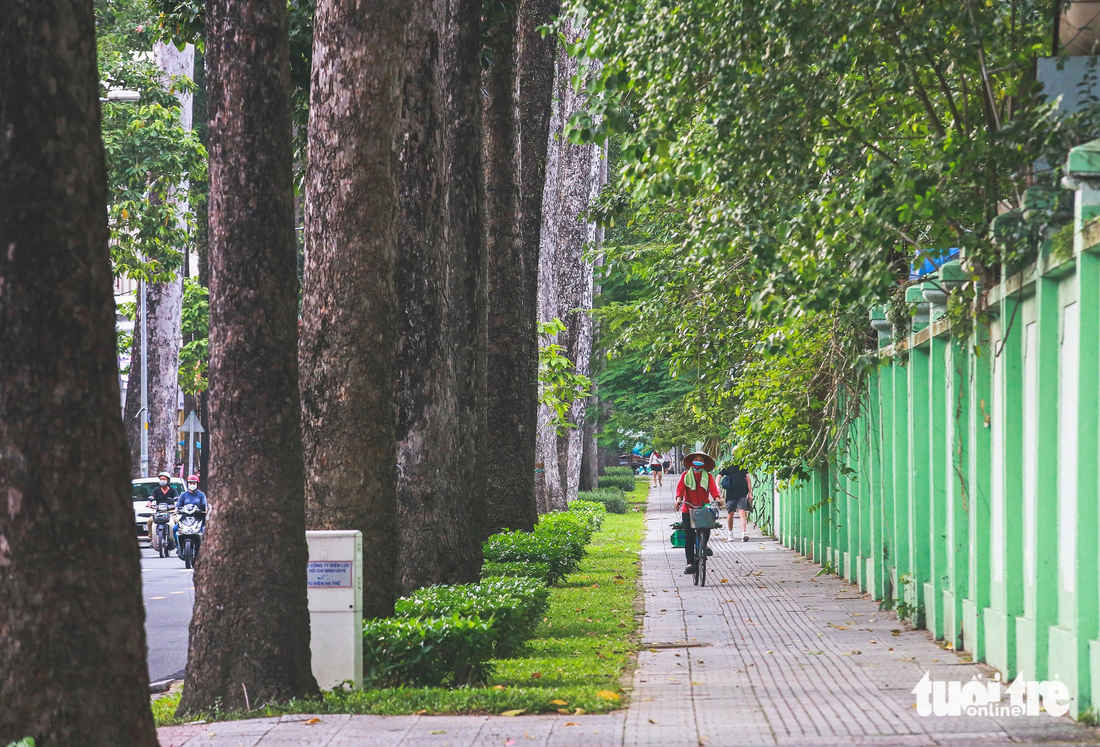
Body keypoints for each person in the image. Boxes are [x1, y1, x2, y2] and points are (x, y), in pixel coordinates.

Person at [675, 451, 721, 575]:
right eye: (696, 459)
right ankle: (689, 563)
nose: (698, 461)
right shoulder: (685, 475)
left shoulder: (708, 477)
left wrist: (717, 499)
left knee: (707, 529)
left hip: (703, 508)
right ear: (691, 462)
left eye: (701, 460)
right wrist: (678, 501)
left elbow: (713, 489)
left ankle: (704, 545)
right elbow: (680, 491)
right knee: (689, 537)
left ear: (704, 463)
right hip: (688, 509)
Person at [174, 475, 207, 558]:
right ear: (188, 484)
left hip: (198, 517)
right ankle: (178, 546)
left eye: (194, 483)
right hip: (185, 517)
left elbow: (205, 504)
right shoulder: (183, 495)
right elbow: (178, 505)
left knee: (204, 531)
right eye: (190, 483)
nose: (192, 485)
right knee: (175, 529)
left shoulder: (201, 495)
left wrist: (205, 510)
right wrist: (176, 509)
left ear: (197, 484)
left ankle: (204, 548)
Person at [719, 461, 753, 542]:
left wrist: (750, 493)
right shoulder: (728, 465)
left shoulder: (744, 465)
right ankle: (730, 533)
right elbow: (719, 475)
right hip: (731, 494)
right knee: (730, 513)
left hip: (742, 493)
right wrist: (717, 485)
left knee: (742, 512)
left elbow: (748, 479)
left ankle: (743, 534)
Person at [147, 471, 178, 550]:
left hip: (170, 511)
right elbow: (151, 497)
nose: (162, 481)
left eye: (164, 479)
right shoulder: (156, 490)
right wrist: (149, 503)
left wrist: (176, 505)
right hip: (159, 511)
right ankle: (152, 538)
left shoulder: (173, 490)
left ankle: (177, 538)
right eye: (161, 479)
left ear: (168, 480)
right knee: (150, 521)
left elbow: (177, 499)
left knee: (176, 521)